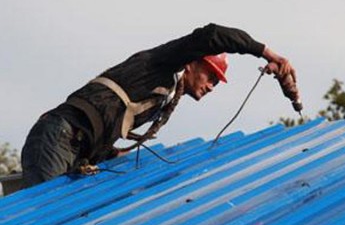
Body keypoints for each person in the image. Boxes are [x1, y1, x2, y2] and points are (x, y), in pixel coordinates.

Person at [21, 23, 300, 187]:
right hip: (59, 137)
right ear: (194, 61)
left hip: (78, 147)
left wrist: (116, 157)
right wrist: (267, 53)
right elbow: (212, 34)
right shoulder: (162, 64)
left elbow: (106, 120)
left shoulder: (164, 93)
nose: (212, 85)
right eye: (212, 76)